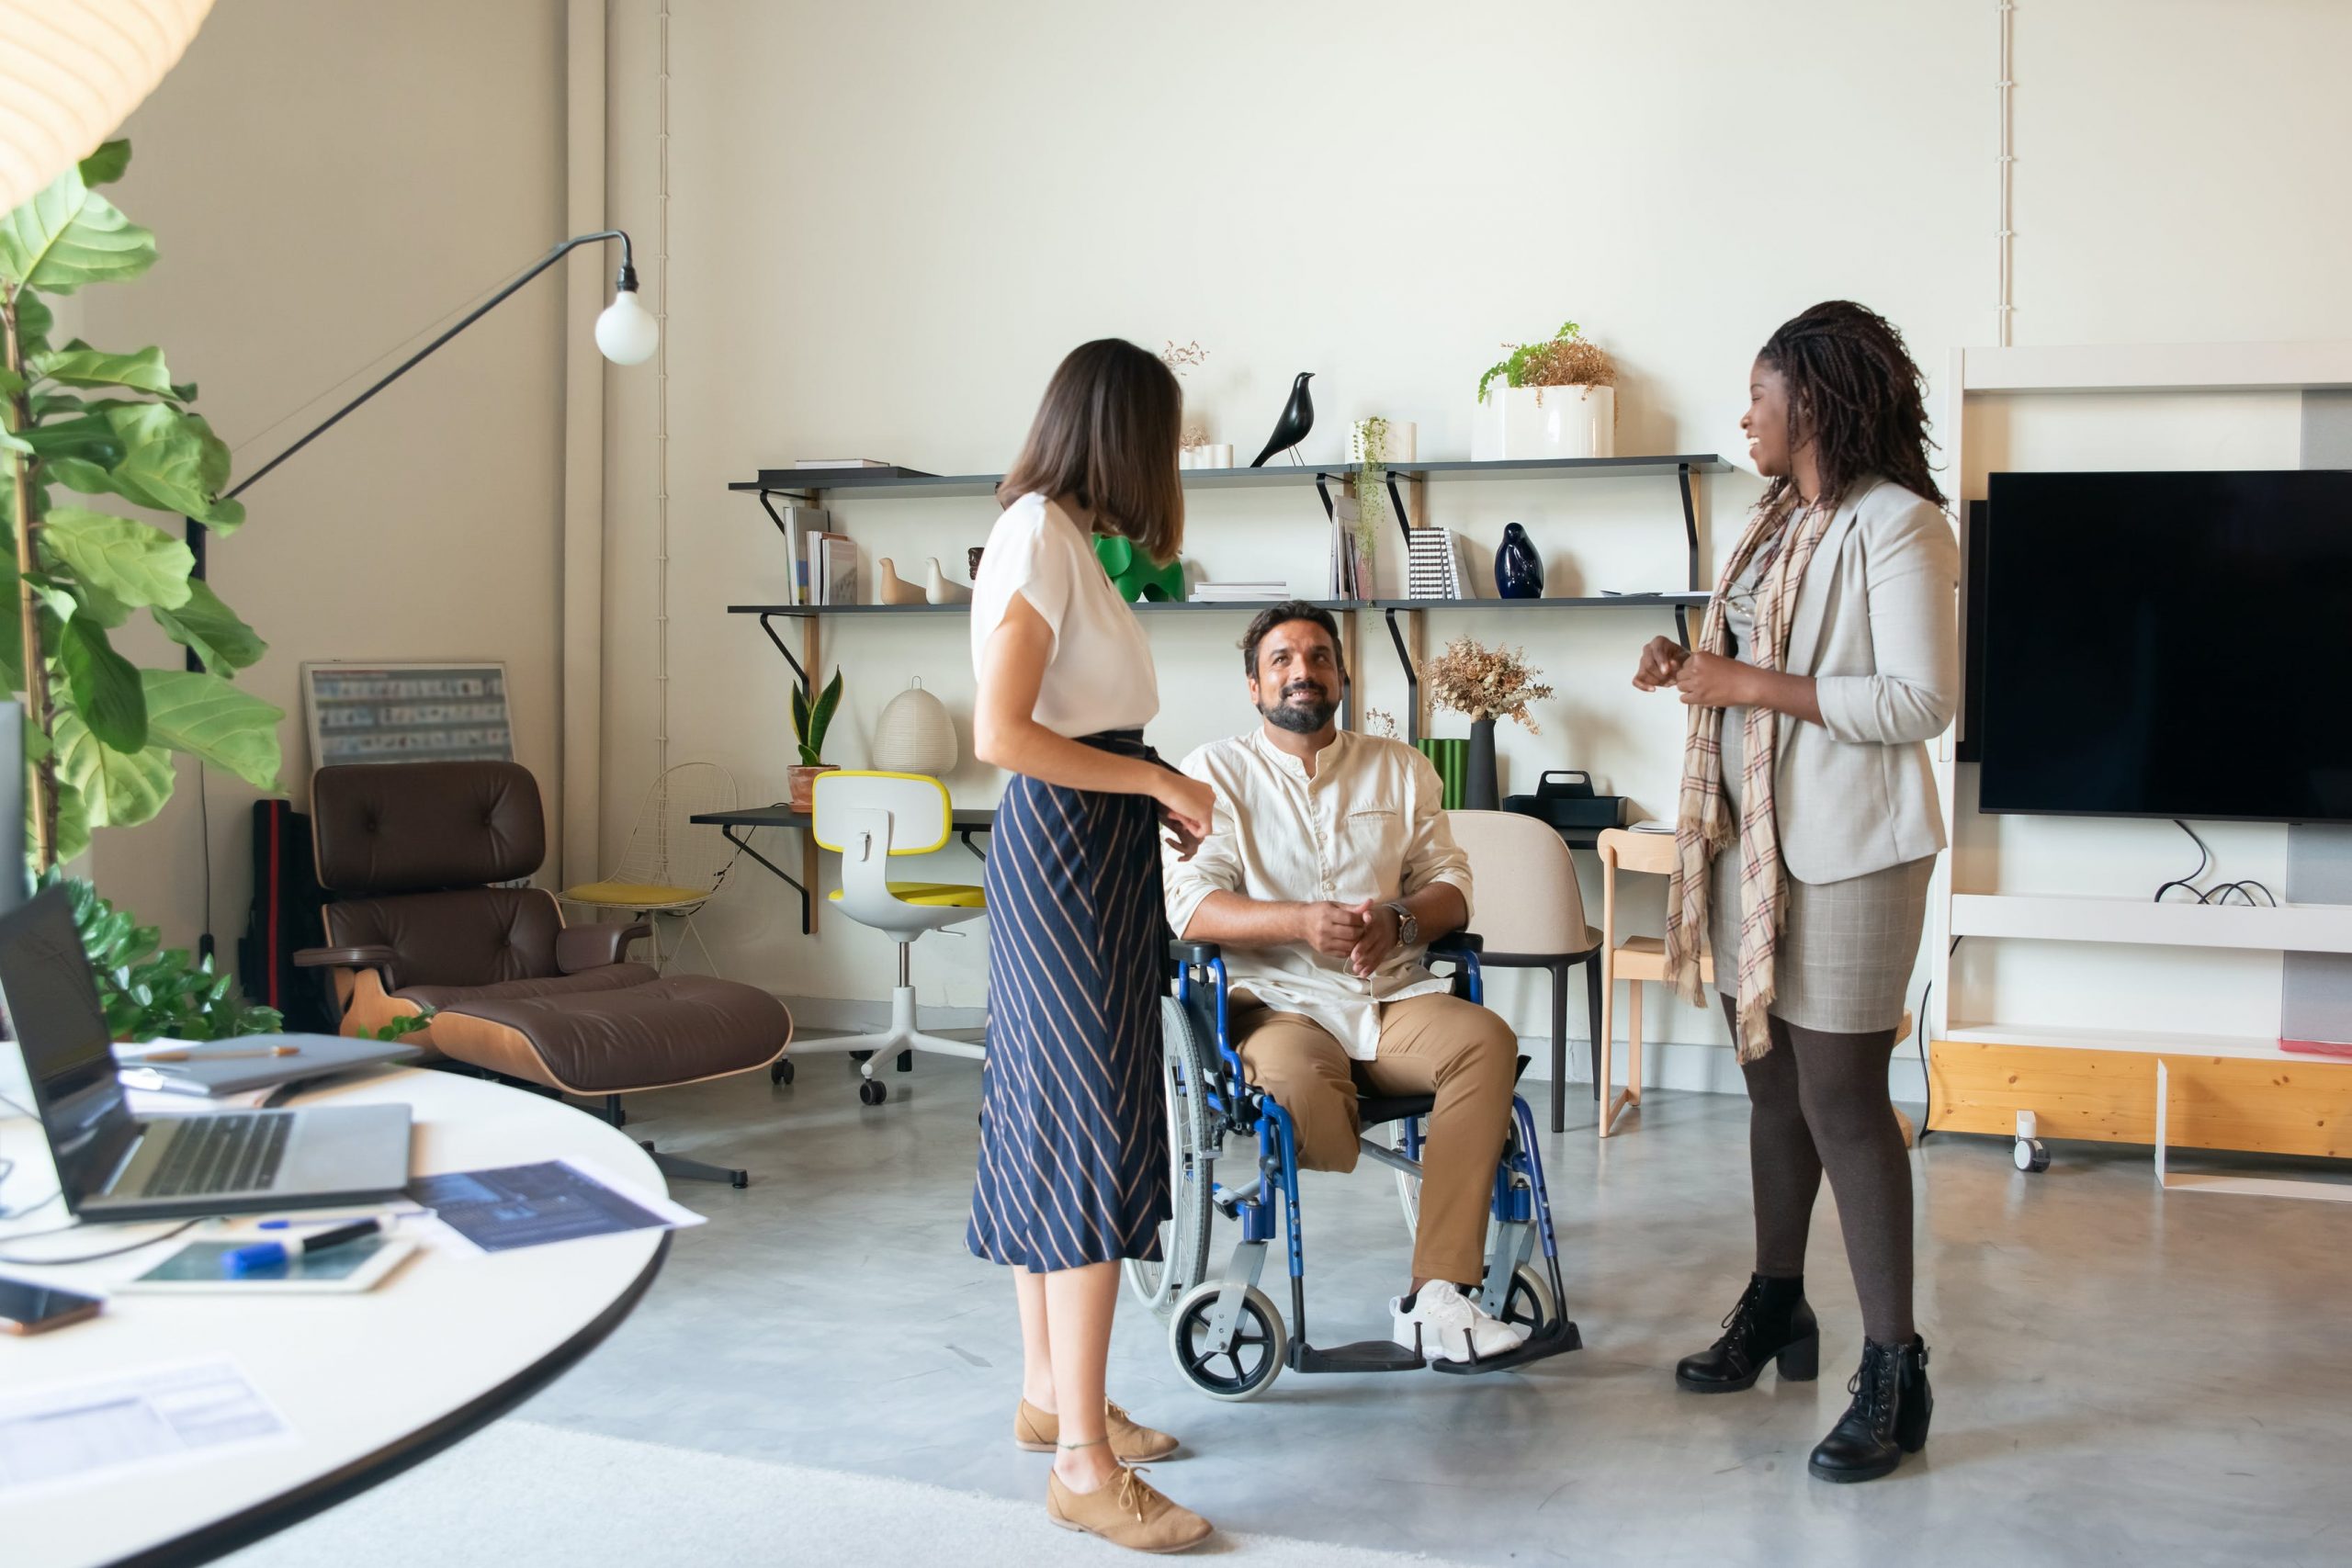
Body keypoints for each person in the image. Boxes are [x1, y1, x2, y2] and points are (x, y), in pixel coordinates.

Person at [1634, 300, 1959, 1484]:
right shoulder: (1772, 526)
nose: (1743, 419)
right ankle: (1780, 1306)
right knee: (1769, 1087)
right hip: (1750, 849)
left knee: (1841, 1100)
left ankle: (1896, 1370)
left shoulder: (1898, 525)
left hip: (1855, 852)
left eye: (1758, 399)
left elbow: (1918, 703)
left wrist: (1750, 683)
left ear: (1810, 402)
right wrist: (1690, 669)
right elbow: (1746, 671)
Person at [967, 338, 1216, 1551]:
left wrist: (1148, 784)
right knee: (1089, 1125)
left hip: (1098, 846)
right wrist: (1149, 774)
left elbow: (1069, 717)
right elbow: (1002, 732)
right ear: (1124, 432)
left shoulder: (1070, 543)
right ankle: (1081, 1460)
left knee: (1057, 1113)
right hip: (1066, 850)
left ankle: (1048, 1395)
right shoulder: (1035, 536)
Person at [1162, 602, 1532, 1364]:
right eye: (1283, 660)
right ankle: (1328, 1106)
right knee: (1312, 1112)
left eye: (1320, 657)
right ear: (1254, 685)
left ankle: (1436, 1296)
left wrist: (1396, 921)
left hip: (1391, 996)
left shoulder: (1401, 768)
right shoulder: (1213, 772)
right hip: (1279, 1005)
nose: (1303, 671)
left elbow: (1452, 887)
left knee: (1485, 1043)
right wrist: (1298, 921)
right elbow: (1190, 902)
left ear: (1341, 674)